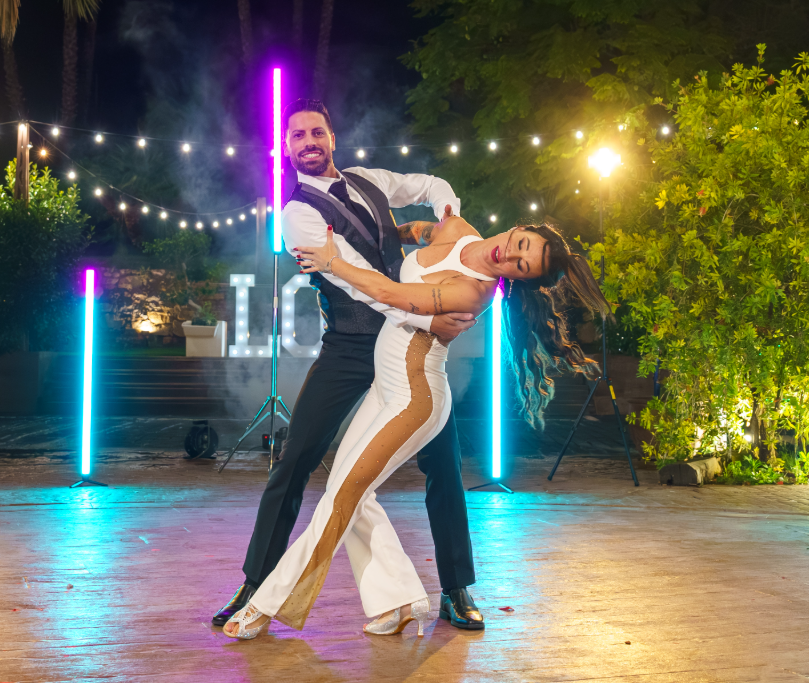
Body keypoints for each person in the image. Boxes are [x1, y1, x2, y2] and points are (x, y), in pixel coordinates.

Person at [223, 212, 610, 640]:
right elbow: (419, 232)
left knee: (343, 496)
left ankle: (266, 605)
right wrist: (394, 233)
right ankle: (398, 599)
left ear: (519, 279)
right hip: (385, 385)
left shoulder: (473, 290)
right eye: (521, 245)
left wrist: (333, 262)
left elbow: (389, 293)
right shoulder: (458, 230)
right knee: (347, 490)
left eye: (521, 266)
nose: (510, 256)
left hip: (415, 398)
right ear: (521, 228)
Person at [212, 99, 487, 633]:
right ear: (286, 147)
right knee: (294, 462)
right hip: (352, 345)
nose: (308, 142)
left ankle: (456, 588)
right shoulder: (298, 214)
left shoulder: (368, 179)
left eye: (316, 132)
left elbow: (430, 184)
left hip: (408, 343)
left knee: (444, 464)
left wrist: (448, 218)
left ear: (332, 137)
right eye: (297, 135)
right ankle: (255, 584)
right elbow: (359, 279)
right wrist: (430, 317)